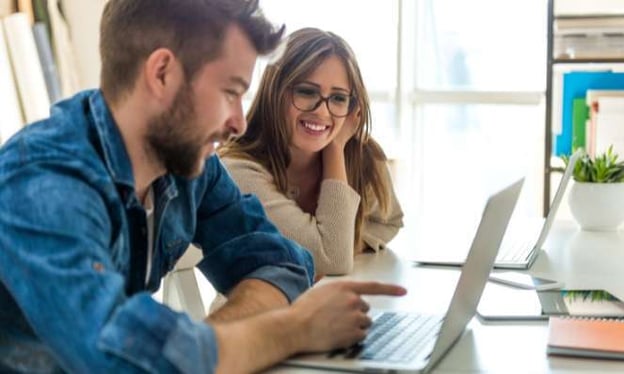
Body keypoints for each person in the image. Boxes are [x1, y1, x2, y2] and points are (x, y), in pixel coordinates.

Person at [0, 1, 406, 373]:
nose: (239, 122)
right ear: (162, 73)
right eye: (231, 92)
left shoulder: (189, 166)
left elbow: (284, 263)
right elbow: (123, 362)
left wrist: (207, 344)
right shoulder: (42, 184)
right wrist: (293, 329)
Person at [218, 28, 404, 276]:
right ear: (275, 92)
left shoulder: (361, 155)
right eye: (306, 92)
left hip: (330, 305)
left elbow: (388, 221)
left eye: (338, 98)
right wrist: (335, 148)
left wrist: (344, 240)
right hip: (259, 313)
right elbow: (332, 259)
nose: (322, 112)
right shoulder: (237, 170)